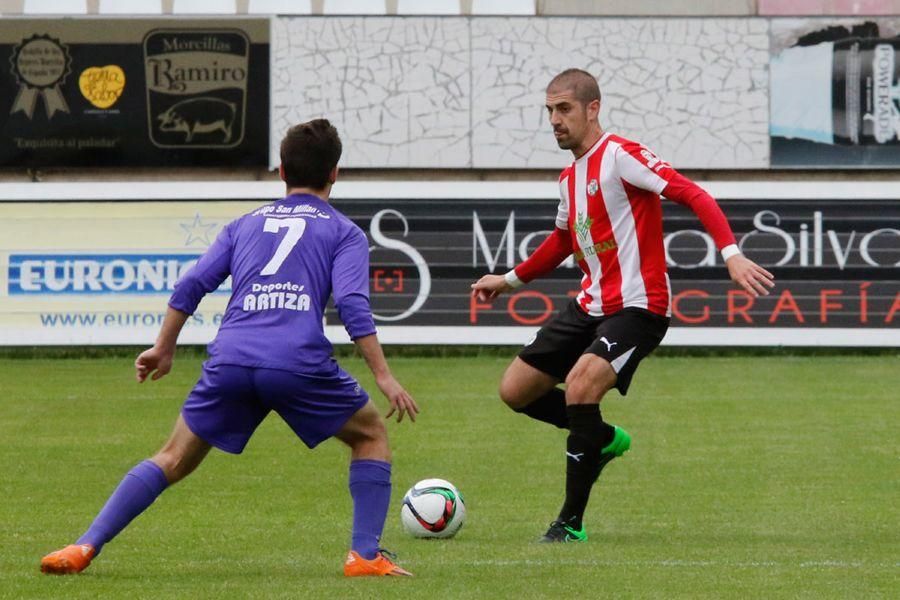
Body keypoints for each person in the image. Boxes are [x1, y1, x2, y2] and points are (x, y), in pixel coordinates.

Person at [40, 119, 418, 577]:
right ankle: (364, 555)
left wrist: (163, 347)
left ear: (281, 171)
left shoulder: (245, 224)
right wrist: (382, 374)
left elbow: (194, 282)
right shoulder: (344, 232)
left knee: (172, 457)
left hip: (232, 359)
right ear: (335, 173)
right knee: (370, 434)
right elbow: (354, 305)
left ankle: (82, 547)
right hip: (296, 361)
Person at [471, 69, 774, 543]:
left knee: (580, 385)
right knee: (515, 391)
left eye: (564, 108)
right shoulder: (569, 176)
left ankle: (569, 523)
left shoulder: (621, 156)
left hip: (640, 306)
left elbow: (693, 194)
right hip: (590, 304)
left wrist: (731, 254)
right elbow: (562, 240)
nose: (554, 119)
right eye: (549, 110)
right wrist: (508, 280)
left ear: (593, 109)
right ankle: (601, 438)